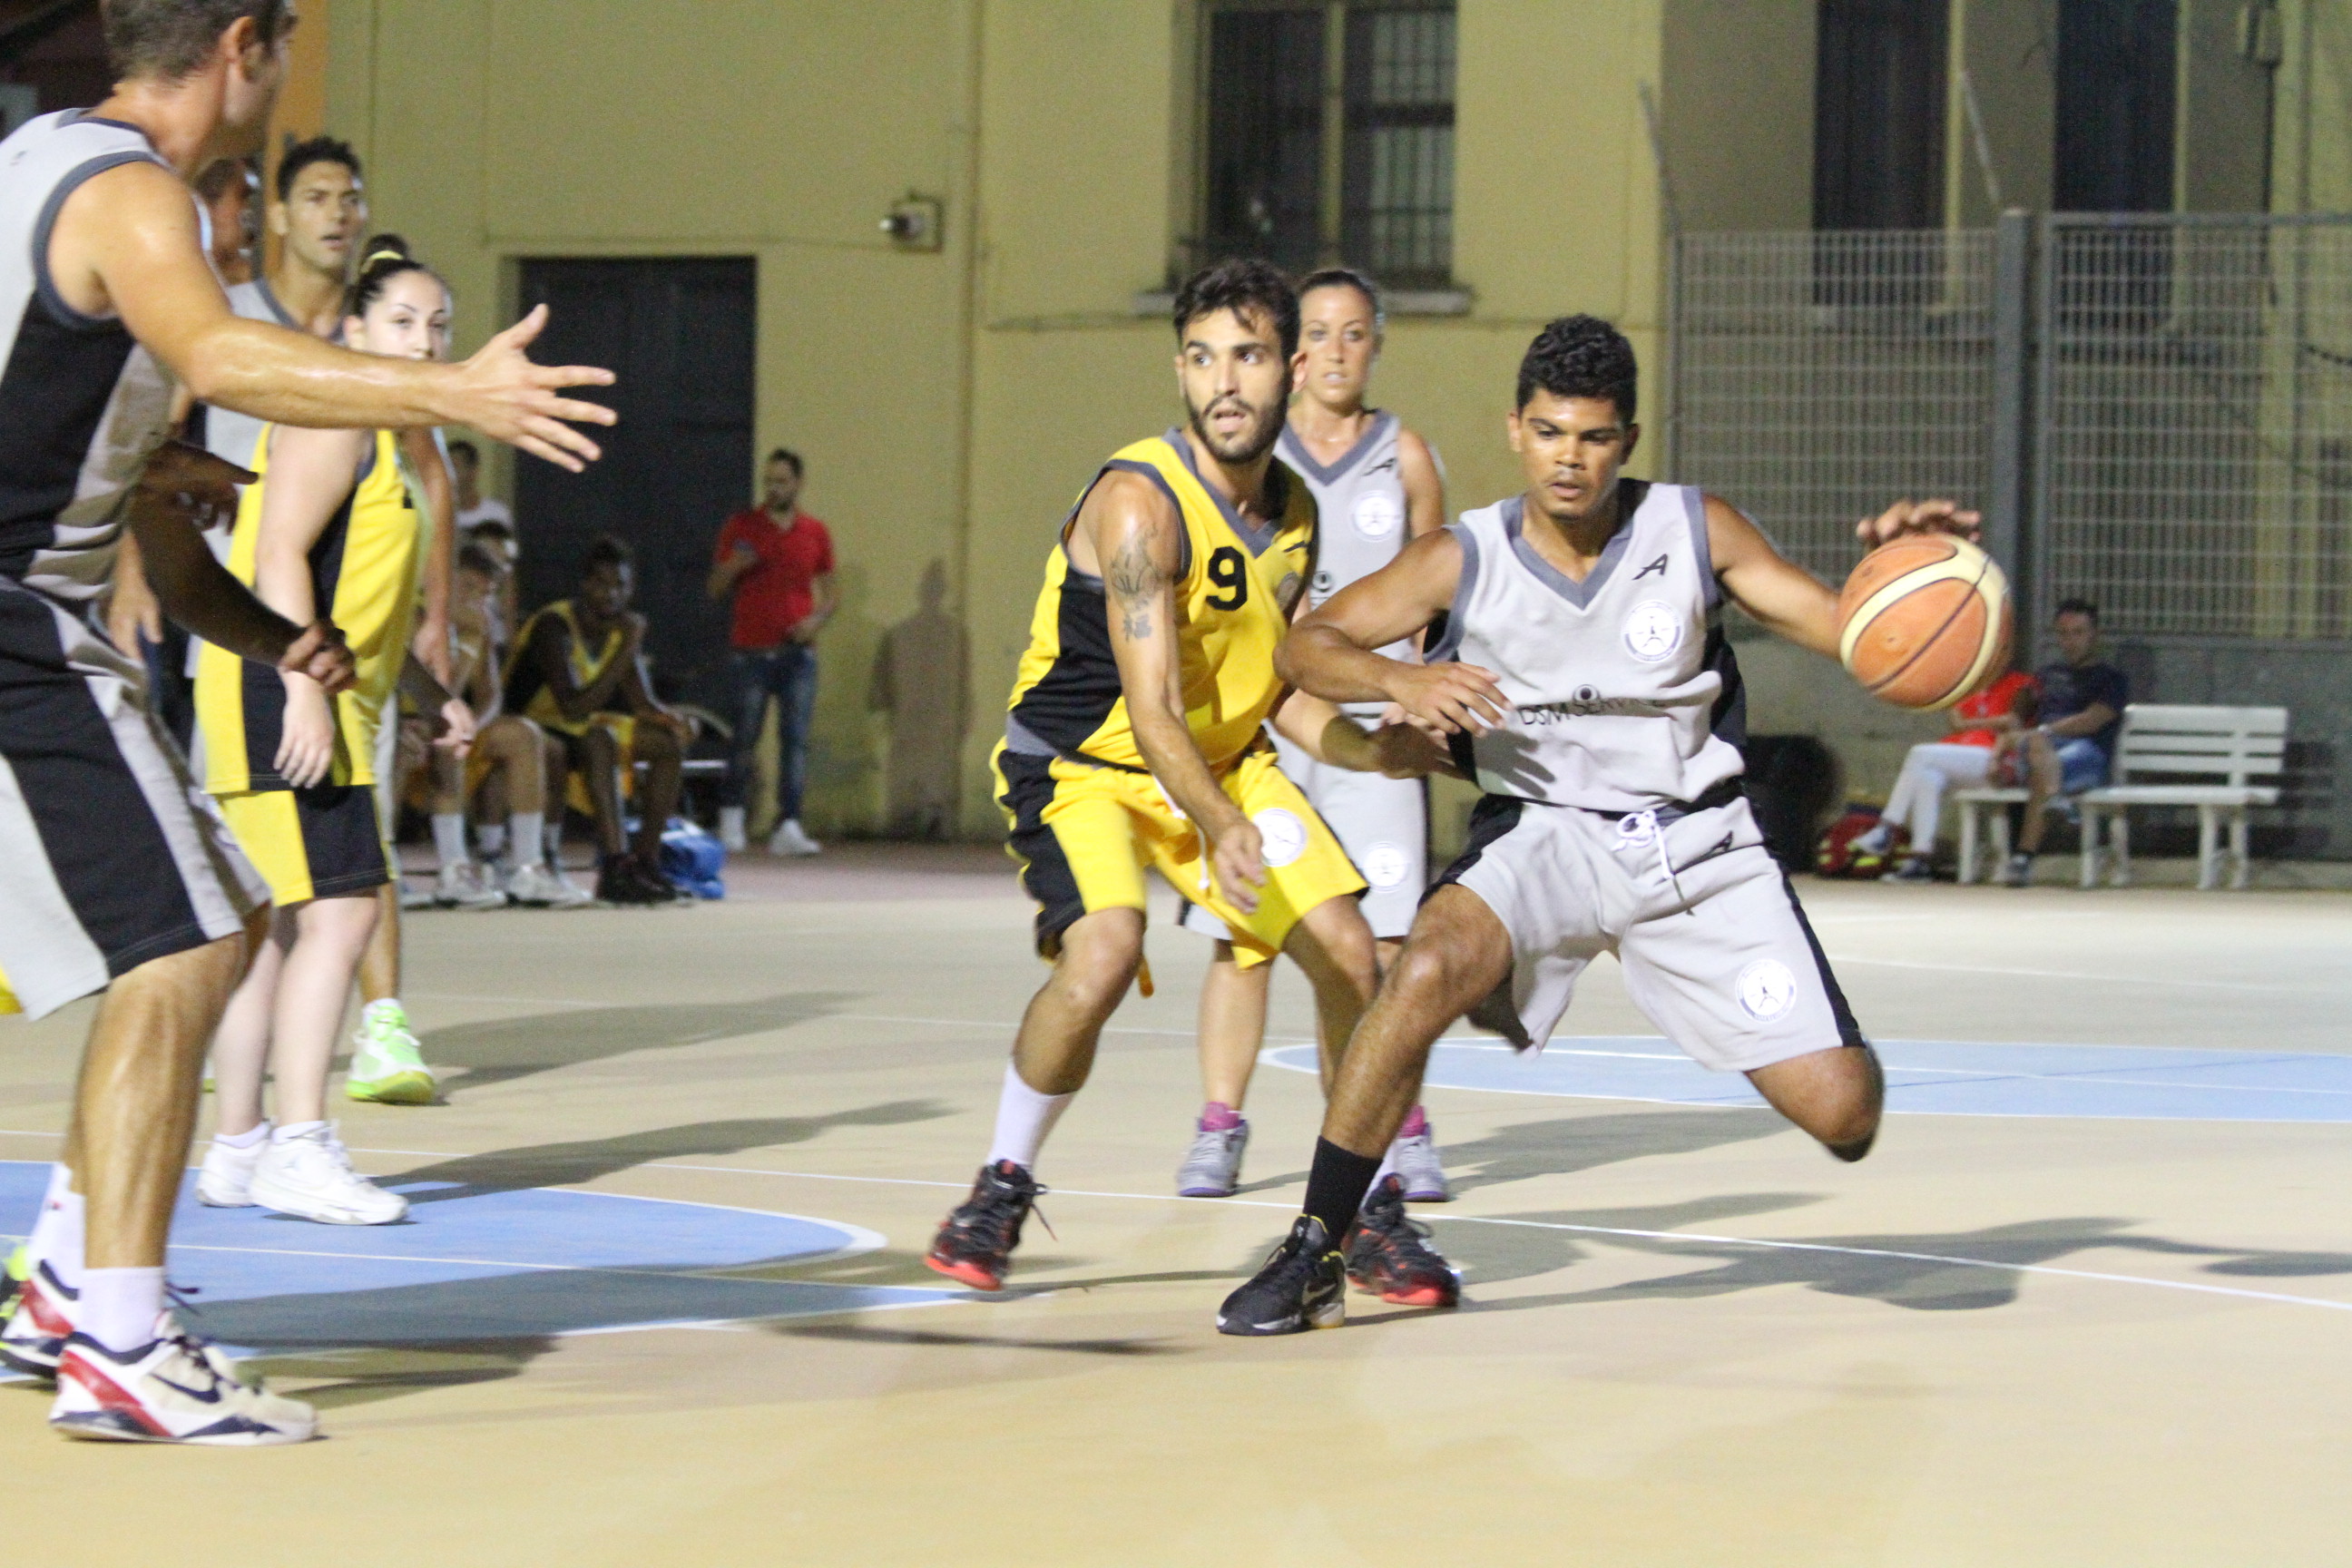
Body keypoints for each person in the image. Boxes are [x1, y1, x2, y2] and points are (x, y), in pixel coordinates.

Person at [0, 0, 613, 1446]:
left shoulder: (35, 157)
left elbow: (149, 506)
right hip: (20, 617)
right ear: (244, 45)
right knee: (195, 940)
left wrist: (277, 639)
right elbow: (220, 359)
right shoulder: (133, 197)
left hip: (45, 608)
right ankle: (124, 1339)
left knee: (192, 926)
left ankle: (69, 1295)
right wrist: (449, 388)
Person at [1222, 315, 1975, 1335]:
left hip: (1697, 850)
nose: (1569, 460)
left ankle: (1516, 983)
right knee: (1425, 966)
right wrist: (1401, 674)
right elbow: (1308, 647)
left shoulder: (1696, 529)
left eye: (1593, 437)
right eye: (1549, 433)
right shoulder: (1465, 554)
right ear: (1515, 431)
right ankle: (1318, 1243)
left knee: (1846, 1117)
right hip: (1546, 835)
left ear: (1626, 439)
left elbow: (1848, 632)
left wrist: (1910, 579)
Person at [924, 260, 1455, 1311]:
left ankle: (1368, 1211)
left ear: (1290, 370)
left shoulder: (1295, 514)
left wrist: (1372, 751)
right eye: (1204, 357)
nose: (1225, 381)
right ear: (1180, 368)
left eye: (1249, 356)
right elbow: (1153, 707)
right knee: (1106, 951)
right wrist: (1222, 824)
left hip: (1216, 761)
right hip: (1086, 768)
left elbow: (1274, 695)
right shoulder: (1139, 506)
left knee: (1356, 957)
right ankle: (1000, 1182)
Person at [195, 240, 477, 1213]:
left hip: (308, 690)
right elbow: (277, 556)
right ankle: (300, 1144)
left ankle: (236, 1146)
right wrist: (304, 692)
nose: (424, 340)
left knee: (277, 930)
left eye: (438, 326)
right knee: (347, 910)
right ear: (353, 331)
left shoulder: (393, 441)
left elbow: (363, 601)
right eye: (401, 320)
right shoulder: (345, 416)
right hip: (283, 692)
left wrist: (433, 700)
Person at [1172, 267, 1454, 1201]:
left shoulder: (1405, 456)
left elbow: (1437, 591)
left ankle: (1398, 1125)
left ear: (1376, 345)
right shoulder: (1253, 456)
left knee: (1379, 948)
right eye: (1319, 335)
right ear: (1291, 356)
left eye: (1355, 334)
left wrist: (1422, 690)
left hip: (1367, 730)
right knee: (1243, 936)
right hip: (1270, 726)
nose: (1336, 351)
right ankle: (1221, 1123)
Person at [507, 534, 697, 905]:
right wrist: (627, 648)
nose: (611, 594)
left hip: (575, 726)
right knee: (599, 741)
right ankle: (614, 867)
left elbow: (644, 704)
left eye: (620, 585)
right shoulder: (553, 626)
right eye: (602, 583)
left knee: (667, 743)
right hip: (530, 725)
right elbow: (573, 707)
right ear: (584, 584)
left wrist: (676, 720)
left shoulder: (619, 627)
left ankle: (645, 862)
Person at [421, 543, 591, 908]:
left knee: (524, 735)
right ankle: (453, 870)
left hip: (452, 725)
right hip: (409, 726)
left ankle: (526, 868)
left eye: (486, 595)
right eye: (468, 589)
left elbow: (490, 695)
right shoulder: (415, 621)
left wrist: (472, 726)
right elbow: (420, 691)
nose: (478, 602)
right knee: (445, 744)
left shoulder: (478, 630)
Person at [708, 447, 835, 857]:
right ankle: (731, 818)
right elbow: (715, 588)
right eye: (768, 481)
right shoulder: (742, 527)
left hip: (798, 654)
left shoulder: (815, 532)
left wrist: (814, 622)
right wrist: (735, 566)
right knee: (743, 738)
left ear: (798, 483)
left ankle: (789, 825)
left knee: (795, 741)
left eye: (781, 481)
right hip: (751, 652)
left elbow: (831, 593)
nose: (773, 488)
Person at [1851, 665, 2038, 881]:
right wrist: (1987, 723)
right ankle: (1919, 861)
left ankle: (1887, 828)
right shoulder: (1967, 684)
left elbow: (2014, 722)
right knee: (1927, 779)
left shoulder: (2020, 682)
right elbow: (1955, 722)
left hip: (1995, 758)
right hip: (1958, 757)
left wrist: (1970, 724)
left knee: (1919, 754)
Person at [1994, 597, 2129, 887]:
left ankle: (2023, 857)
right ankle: (2055, 801)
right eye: (2064, 634)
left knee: (2040, 757)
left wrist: (2045, 732)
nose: (2070, 641)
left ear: (2095, 634)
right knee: (2038, 754)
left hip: (2087, 755)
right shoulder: (2046, 675)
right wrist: (2012, 733)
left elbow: (2093, 720)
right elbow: (2019, 716)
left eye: (2079, 633)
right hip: (2037, 753)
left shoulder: (2111, 679)